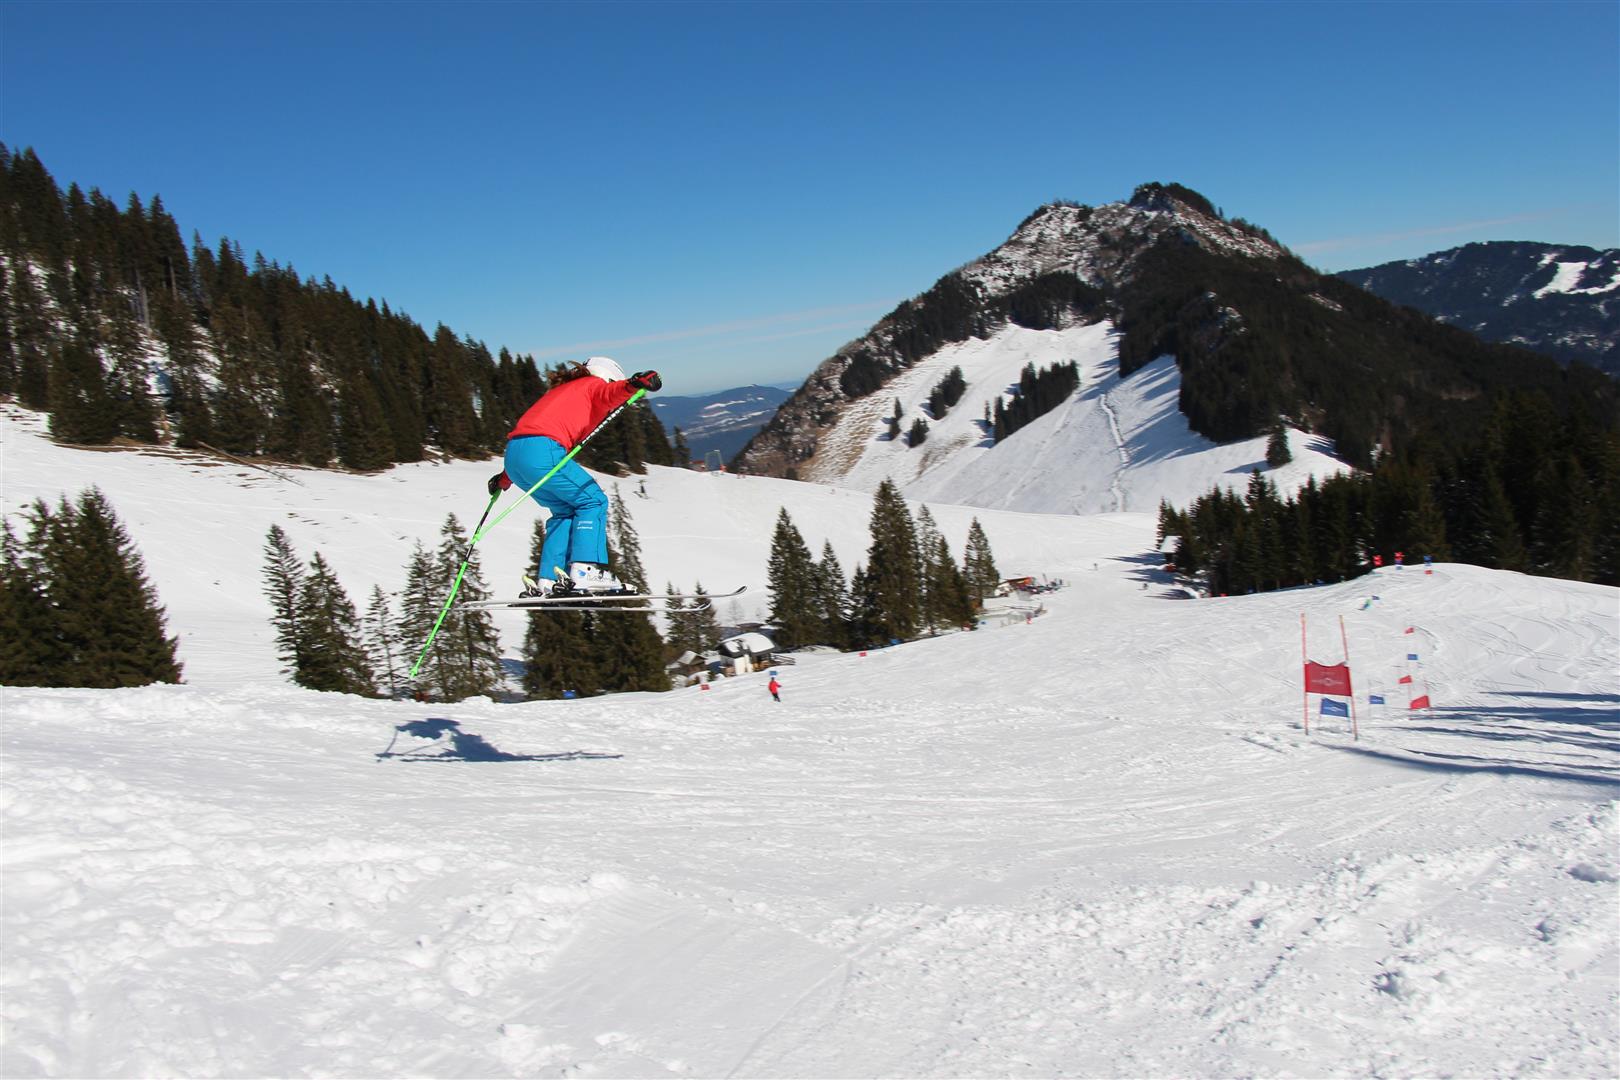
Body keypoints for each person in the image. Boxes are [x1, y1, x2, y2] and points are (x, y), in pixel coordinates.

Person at [489, 357, 661, 596]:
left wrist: (505, 479)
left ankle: (549, 580)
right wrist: (634, 384)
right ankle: (585, 571)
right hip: (543, 451)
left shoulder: (563, 390)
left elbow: (531, 435)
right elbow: (609, 394)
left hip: (515, 456)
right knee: (593, 501)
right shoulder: (593, 385)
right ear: (608, 377)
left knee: (565, 511)